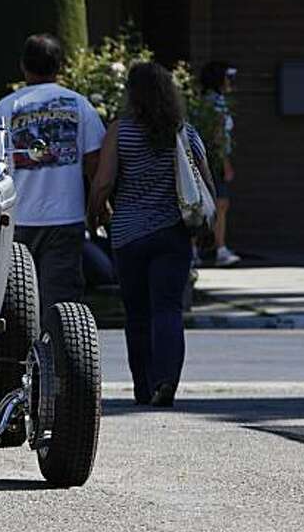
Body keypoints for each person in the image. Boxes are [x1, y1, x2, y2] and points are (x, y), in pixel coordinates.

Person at [88, 62, 215, 407]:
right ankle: (166, 380)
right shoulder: (184, 132)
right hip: (173, 234)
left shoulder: (121, 131)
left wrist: (93, 215)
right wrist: (207, 226)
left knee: (137, 314)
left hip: (129, 236)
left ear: (133, 94)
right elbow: (204, 182)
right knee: (168, 310)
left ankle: (143, 387)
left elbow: (103, 182)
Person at [0, 34, 105, 318]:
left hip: (17, 219)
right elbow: (95, 162)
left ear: (23, 67)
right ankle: (59, 357)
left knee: (17, 304)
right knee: (62, 302)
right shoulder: (79, 105)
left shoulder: (5, 107)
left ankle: (20, 358)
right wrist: (97, 207)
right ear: (60, 67)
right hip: (66, 217)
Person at [200, 62, 240, 267]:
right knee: (220, 204)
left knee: (212, 204)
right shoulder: (215, 103)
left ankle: (210, 248)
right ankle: (219, 247)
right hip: (214, 160)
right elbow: (217, 135)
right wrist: (225, 162)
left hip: (210, 158)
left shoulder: (213, 101)